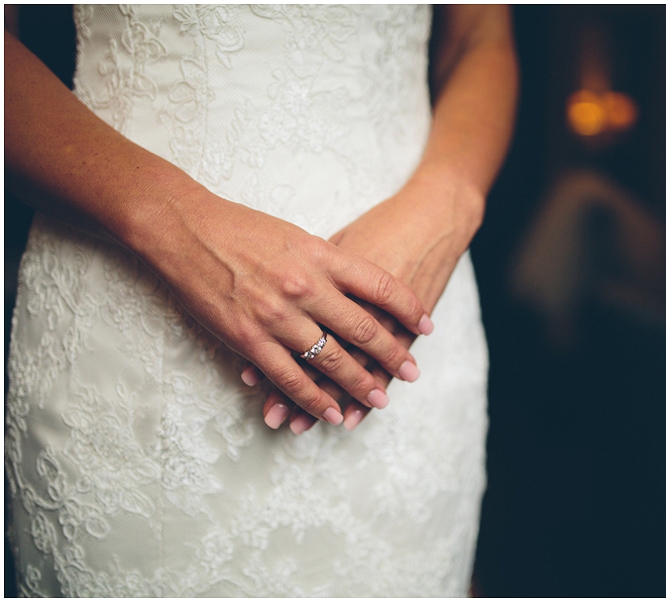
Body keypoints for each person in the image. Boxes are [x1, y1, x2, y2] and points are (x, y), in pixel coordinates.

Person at [5, 4, 517, 596]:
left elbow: (482, 36)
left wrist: (446, 207)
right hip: (132, 354)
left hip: (409, 324)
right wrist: (175, 226)